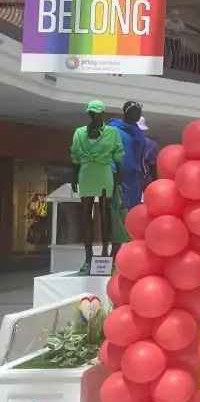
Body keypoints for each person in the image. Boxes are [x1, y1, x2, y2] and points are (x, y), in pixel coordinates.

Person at [71, 100, 124, 273]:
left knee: (105, 214)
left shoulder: (112, 133)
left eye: (97, 113)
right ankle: (88, 258)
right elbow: (75, 156)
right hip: (86, 174)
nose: (94, 116)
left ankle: (105, 254)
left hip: (104, 173)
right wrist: (74, 177)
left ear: (102, 113)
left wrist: (119, 178)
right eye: (91, 113)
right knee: (86, 216)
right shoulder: (79, 133)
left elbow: (118, 156)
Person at [109, 101, 145, 209]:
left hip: (135, 177)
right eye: (135, 111)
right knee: (119, 208)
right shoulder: (114, 130)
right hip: (119, 175)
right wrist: (114, 173)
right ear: (126, 112)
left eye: (139, 112)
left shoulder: (138, 132)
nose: (138, 114)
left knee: (135, 209)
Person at [138, 116, 159, 190]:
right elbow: (152, 165)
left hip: (127, 178)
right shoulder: (151, 144)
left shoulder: (124, 140)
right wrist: (155, 180)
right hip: (145, 178)